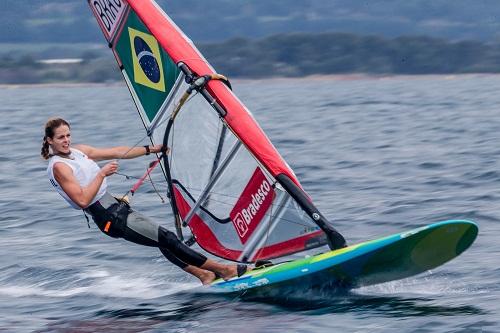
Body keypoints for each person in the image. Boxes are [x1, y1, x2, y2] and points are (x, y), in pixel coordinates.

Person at [41, 117, 247, 285]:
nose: (66, 140)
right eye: (60, 137)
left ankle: (204, 275)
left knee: (162, 241)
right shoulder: (60, 167)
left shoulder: (79, 152)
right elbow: (83, 200)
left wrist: (152, 149)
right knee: (167, 239)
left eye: (68, 135)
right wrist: (102, 174)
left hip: (115, 207)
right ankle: (224, 270)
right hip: (109, 217)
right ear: (50, 140)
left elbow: (118, 152)